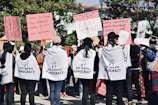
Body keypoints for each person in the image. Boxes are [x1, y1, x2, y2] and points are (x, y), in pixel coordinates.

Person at [98, 32, 126, 105]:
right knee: (119, 93)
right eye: (116, 38)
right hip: (118, 73)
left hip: (109, 73)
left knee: (109, 93)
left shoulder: (104, 49)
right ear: (114, 39)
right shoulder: (119, 48)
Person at [42, 36, 68, 105]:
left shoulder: (48, 51)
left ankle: (52, 104)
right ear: (59, 42)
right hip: (59, 73)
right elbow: (65, 62)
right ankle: (57, 104)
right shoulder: (62, 52)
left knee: (52, 90)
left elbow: (46, 62)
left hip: (51, 72)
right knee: (57, 91)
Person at [73, 38, 97, 105]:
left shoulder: (80, 52)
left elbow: (75, 60)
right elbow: (97, 62)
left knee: (85, 91)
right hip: (92, 74)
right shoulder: (94, 52)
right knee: (92, 92)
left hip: (84, 74)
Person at [126, 34, 142, 104]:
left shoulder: (129, 48)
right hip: (136, 67)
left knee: (129, 84)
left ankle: (130, 99)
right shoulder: (137, 48)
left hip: (130, 67)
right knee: (136, 83)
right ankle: (139, 98)